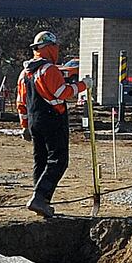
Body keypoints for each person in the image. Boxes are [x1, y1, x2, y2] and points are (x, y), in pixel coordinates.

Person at [16, 30, 85, 216]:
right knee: (58, 160)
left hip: (34, 121)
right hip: (52, 120)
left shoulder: (25, 73)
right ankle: (40, 198)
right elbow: (62, 92)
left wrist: (24, 127)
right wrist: (84, 85)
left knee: (41, 160)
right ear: (49, 47)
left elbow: (21, 103)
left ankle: (40, 200)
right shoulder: (49, 69)